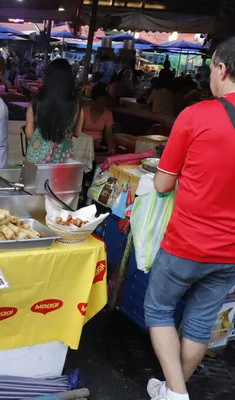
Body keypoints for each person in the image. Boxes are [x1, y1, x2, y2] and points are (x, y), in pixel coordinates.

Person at [144, 37, 235, 400]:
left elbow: (163, 184)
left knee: (159, 308)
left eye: (211, 66)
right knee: (199, 323)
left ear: (222, 69)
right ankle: (171, 389)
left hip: (187, 242)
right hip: (230, 253)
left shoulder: (196, 115)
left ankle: (177, 394)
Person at [24, 59, 83, 164]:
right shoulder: (76, 104)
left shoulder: (37, 102)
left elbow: (29, 134)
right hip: (62, 159)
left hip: (37, 159)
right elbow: (77, 133)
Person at [82, 85, 116, 153]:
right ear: (93, 101)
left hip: (99, 146)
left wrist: (110, 145)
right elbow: (78, 132)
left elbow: (108, 134)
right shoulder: (83, 111)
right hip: (83, 144)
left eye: (104, 103)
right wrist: (91, 142)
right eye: (99, 103)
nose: (102, 106)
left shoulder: (108, 114)